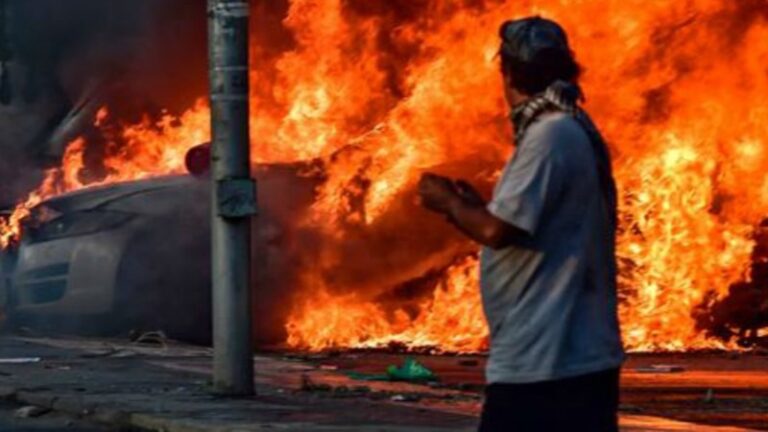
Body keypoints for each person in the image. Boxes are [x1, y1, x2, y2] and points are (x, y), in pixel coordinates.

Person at [418, 16, 625, 432]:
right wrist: (470, 207)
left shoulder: (550, 135)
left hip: (548, 362)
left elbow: (498, 231)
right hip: (562, 358)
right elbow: (517, 225)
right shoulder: (569, 127)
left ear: (508, 72)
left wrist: (447, 203)